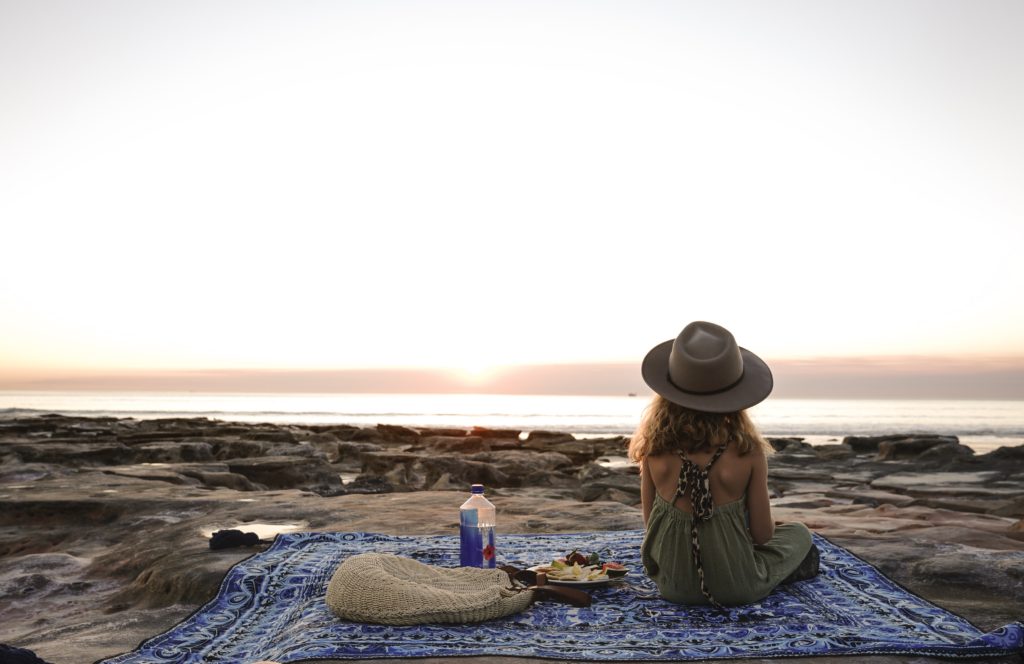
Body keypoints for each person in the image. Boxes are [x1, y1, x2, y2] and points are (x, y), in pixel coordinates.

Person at [628, 321, 818, 608]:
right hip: (738, 590)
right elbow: (763, 536)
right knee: (798, 533)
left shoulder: (654, 450)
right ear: (736, 397)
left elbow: (650, 526)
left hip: (672, 587)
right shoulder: (749, 453)